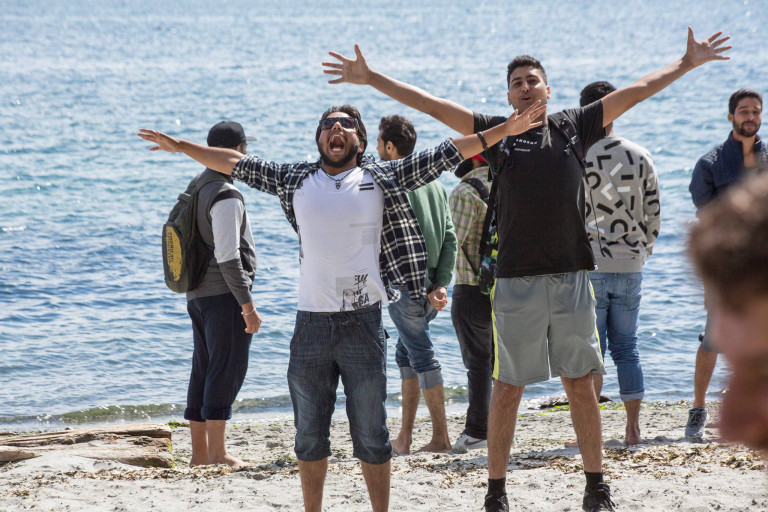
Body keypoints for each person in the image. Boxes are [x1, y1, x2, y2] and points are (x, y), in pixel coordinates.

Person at [323, 27, 730, 512]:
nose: (524, 87)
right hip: (514, 280)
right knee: (507, 386)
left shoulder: (574, 125)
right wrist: (372, 79)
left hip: (572, 275)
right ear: (508, 93)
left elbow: (637, 91)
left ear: (547, 88)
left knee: (580, 382)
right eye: (516, 82)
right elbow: (433, 106)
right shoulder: (497, 134)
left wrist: (686, 64)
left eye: (532, 80)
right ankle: (496, 492)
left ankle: (596, 486)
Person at [138, 101, 545, 512]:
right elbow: (235, 161)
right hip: (310, 325)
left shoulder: (381, 176)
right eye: (328, 124)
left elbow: (446, 152)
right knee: (309, 435)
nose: (337, 129)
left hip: (363, 323)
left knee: (372, 434)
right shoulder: (295, 177)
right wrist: (180, 145)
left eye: (346, 124)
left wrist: (504, 131)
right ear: (318, 138)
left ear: (360, 139)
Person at [579, 81, 661, 446]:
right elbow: (654, 214)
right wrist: (642, 252)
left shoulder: (577, 158)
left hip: (590, 266)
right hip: (630, 265)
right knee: (627, 347)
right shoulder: (640, 155)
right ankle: (632, 430)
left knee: (591, 351)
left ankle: (590, 433)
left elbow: (569, 215)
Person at [685, 88, 767, 441]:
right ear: (730, 116)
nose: (750, 116)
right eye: (744, 111)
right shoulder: (710, 163)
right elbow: (708, 224)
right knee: (714, 340)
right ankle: (699, 409)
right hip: (731, 270)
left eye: (756, 111)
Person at [377, 115, 457, 455]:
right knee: (406, 354)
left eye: (379, 143)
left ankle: (441, 438)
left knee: (422, 356)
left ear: (390, 147)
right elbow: (450, 238)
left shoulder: (393, 184)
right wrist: (441, 284)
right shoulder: (436, 185)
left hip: (405, 286)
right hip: (429, 290)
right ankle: (405, 438)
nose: (377, 150)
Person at [184, 121, 262, 469]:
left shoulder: (199, 186)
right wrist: (247, 305)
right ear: (237, 152)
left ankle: (199, 454)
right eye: (244, 150)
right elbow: (228, 256)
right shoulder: (226, 194)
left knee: (202, 369)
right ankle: (217, 453)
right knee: (224, 370)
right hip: (223, 295)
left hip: (197, 294)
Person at [448, 155, 494, 452]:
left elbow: (450, 243)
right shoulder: (507, 187)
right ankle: (499, 426)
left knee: (477, 364)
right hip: (506, 288)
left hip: (471, 285)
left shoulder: (465, 193)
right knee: (500, 366)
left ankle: (477, 430)